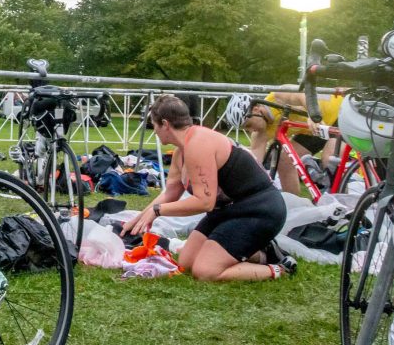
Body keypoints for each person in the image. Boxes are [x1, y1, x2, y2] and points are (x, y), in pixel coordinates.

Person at [124, 95, 295, 281]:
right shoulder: (180, 152)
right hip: (228, 211)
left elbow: (205, 202)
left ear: (165, 123)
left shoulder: (198, 143)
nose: (154, 131)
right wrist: (139, 218)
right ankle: (262, 253)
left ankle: (280, 269)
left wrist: (157, 211)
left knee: (205, 271)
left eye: (154, 125)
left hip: (258, 211)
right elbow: (171, 193)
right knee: (186, 262)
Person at [228, 91, 343, 196]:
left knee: (329, 159)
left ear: (256, 109)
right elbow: (255, 167)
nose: (250, 130)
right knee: (284, 161)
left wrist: (313, 115)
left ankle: (342, 204)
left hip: (339, 114)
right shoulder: (260, 134)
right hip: (315, 130)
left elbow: (303, 95)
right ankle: (294, 205)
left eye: (248, 125)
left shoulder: (277, 97)